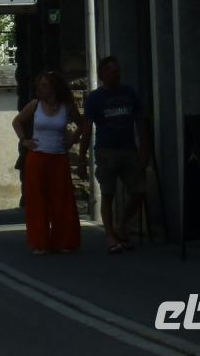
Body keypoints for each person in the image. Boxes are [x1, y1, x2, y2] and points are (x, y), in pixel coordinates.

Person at [82, 54, 150, 253]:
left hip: (129, 149)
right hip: (106, 151)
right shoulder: (95, 99)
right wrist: (82, 156)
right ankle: (110, 235)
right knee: (108, 194)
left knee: (138, 191)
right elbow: (86, 128)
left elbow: (141, 121)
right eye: (113, 71)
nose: (117, 74)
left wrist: (144, 149)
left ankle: (121, 225)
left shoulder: (129, 93)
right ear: (103, 74)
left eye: (118, 71)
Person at [13, 71, 84, 253]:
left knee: (62, 200)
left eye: (44, 85)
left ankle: (64, 241)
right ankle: (40, 242)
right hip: (37, 157)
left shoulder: (66, 106)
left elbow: (81, 123)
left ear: (54, 88)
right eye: (39, 85)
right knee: (37, 201)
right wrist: (24, 140)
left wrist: (73, 139)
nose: (40, 88)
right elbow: (17, 121)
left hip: (58, 157)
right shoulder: (35, 105)